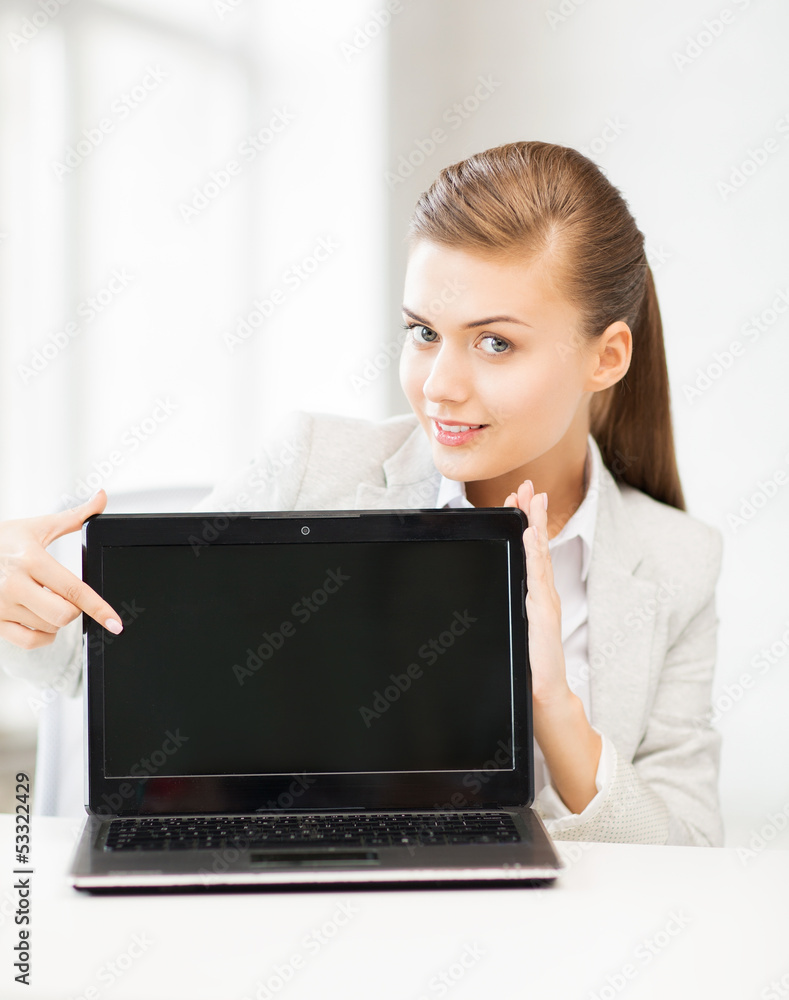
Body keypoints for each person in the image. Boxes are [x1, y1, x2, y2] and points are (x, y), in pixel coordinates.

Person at [0, 140, 723, 846]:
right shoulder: (313, 465)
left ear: (607, 356)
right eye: (422, 333)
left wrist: (551, 706)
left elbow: (688, 853)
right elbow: (97, 657)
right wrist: (14, 585)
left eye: (495, 342)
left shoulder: (676, 561)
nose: (439, 386)